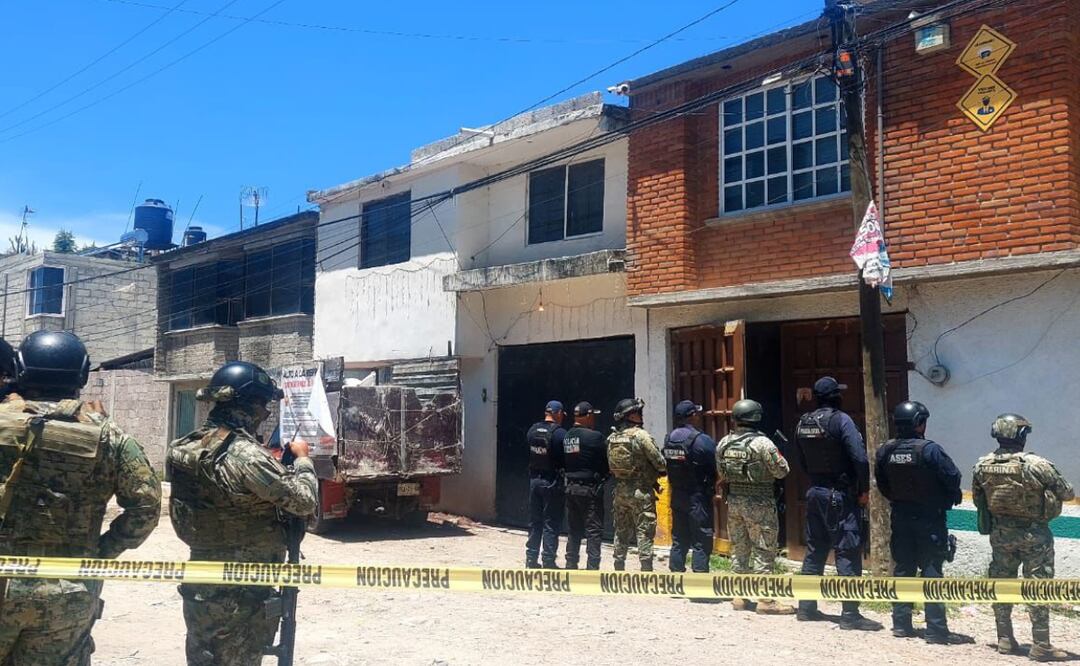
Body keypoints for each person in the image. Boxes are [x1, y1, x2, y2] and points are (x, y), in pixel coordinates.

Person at [0, 330, 161, 665]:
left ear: (19, 369)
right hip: (67, 587)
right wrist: (103, 551)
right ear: (83, 374)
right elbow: (146, 506)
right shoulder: (107, 434)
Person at [168, 361, 317, 666]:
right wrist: (302, 461)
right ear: (249, 406)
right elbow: (303, 502)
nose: (264, 414)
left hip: (200, 584)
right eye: (262, 405)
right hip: (243, 593)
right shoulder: (246, 455)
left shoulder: (183, 448)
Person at [972, 414, 1074, 661]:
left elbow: (978, 499)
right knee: (1038, 587)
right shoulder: (1036, 465)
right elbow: (1068, 493)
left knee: (1001, 584)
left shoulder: (981, 465)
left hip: (1000, 535)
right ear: (1020, 436)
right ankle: (1041, 645)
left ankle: (1004, 638)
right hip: (1034, 535)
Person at [875, 401, 967, 644]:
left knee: (903, 568)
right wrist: (947, 495)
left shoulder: (885, 450)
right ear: (919, 423)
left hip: (900, 516)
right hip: (929, 518)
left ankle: (901, 624)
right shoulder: (930, 450)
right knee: (931, 570)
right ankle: (936, 630)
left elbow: (882, 484)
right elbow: (953, 477)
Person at [793, 376, 880, 630]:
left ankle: (806, 608)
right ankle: (850, 614)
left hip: (816, 492)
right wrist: (863, 489)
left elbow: (801, 460)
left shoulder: (803, 423)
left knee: (815, 549)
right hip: (839, 495)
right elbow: (860, 458)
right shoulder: (842, 420)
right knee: (848, 550)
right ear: (836, 397)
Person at [716, 399, 793, 614]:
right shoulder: (763, 444)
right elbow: (782, 471)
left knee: (739, 549)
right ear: (757, 417)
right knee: (764, 549)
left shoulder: (724, 443)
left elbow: (721, 472)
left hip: (735, 502)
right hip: (760, 503)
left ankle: (739, 596)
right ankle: (766, 601)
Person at [607, 397, 666, 571]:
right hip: (641, 491)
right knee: (645, 530)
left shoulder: (612, 438)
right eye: (638, 412)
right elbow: (660, 463)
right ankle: (646, 570)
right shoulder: (641, 436)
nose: (641, 415)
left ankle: (618, 567)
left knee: (621, 530)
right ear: (631, 416)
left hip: (620, 491)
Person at [663, 400, 717, 574]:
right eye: (696, 413)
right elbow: (718, 464)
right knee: (701, 538)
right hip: (697, 496)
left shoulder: (669, 438)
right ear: (692, 415)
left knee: (679, 537)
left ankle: (675, 577)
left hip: (677, 495)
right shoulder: (702, 440)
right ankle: (699, 580)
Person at [562, 402, 608, 570]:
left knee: (574, 529)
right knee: (593, 530)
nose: (594, 418)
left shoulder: (567, 436)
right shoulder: (595, 437)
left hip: (571, 488)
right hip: (590, 489)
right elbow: (607, 462)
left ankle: (571, 563)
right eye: (593, 415)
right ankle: (592, 567)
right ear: (588, 416)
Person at [524, 400, 566, 569]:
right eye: (562, 414)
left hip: (534, 481)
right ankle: (548, 561)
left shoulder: (532, 430)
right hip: (551, 481)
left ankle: (531, 560)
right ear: (557, 413)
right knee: (551, 521)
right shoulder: (560, 433)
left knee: (535, 521)